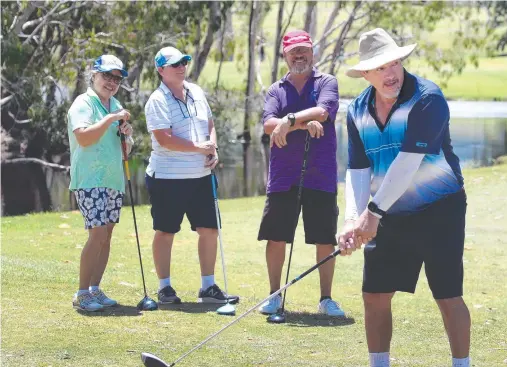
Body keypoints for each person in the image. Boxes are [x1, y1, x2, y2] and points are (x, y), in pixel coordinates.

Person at [335, 29, 483, 367]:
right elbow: (358, 169)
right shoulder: (355, 112)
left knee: (448, 293)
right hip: (389, 212)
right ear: (365, 75)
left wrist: (372, 214)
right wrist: (352, 220)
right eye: (381, 67)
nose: (391, 73)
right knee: (374, 294)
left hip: (440, 208)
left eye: (395, 63)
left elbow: (407, 164)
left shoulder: (427, 99)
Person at [258, 30, 344, 317]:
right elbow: (269, 124)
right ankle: (274, 295)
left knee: (324, 238)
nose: (299, 56)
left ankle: (326, 299)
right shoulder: (275, 89)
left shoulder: (327, 82)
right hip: (284, 175)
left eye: (304, 50)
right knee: (276, 236)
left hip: (320, 174)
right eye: (293, 51)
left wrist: (291, 119)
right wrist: (299, 126)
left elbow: (323, 111)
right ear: (285, 56)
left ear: (312, 53)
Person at [144, 46, 239, 305]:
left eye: (184, 62)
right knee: (165, 231)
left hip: (201, 175)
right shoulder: (157, 100)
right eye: (175, 64)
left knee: (209, 229)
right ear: (161, 70)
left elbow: (209, 124)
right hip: (167, 177)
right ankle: (165, 288)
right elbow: (164, 139)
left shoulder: (196, 92)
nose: (182, 67)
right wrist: (199, 147)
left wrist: (213, 148)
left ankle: (208, 287)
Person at [68, 55, 133, 312]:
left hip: (112, 179)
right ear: (94, 74)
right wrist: (110, 119)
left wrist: (126, 135)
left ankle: (95, 289)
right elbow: (84, 138)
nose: (112, 82)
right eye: (107, 76)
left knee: (106, 236)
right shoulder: (83, 103)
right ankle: (82, 294)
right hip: (89, 178)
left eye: (117, 79)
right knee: (96, 235)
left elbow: (124, 145)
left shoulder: (115, 104)